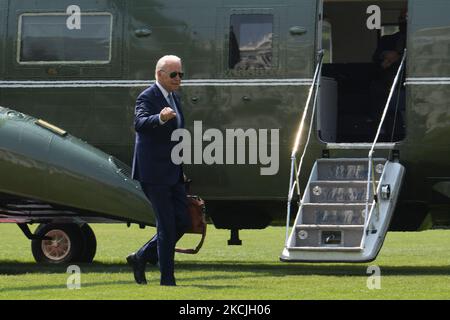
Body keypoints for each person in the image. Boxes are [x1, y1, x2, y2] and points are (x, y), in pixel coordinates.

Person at [127, 55, 191, 286]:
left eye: (180, 74)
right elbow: (139, 123)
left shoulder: (175, 98)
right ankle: (167, 281)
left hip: (173, 171)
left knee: (183, 222)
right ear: (159, 74)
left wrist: (180, 167)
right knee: (166, 225)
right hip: (153, 172)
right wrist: (160, 118)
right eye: (173, 74)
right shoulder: (148, 96)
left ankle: (141, 256)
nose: (178, 78)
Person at [369, 9, 407, 139]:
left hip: (407, 85)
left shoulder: (418, 39)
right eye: (402, 17)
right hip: (386, 83)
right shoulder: (387, 39)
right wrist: (385, 56)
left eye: (407, 17)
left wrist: (399, 56)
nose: (404, 21)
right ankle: (380, 132)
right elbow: (376, 59)